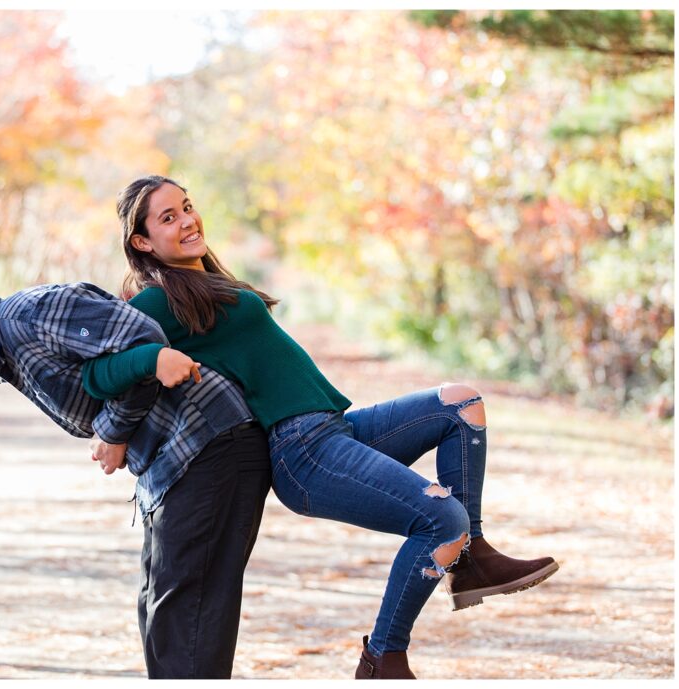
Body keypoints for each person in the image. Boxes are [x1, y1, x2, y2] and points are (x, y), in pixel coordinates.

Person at [83, 175, 560, 679]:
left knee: (460, 404)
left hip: (332, 430)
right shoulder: (159, 300)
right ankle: (383, 658)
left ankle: (471, 560)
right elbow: (98, 371)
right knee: (442, 520)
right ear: (142, 242)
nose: (187, 221)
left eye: (187, 207)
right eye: (168, 218)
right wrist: (125, 411)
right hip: (301, 451)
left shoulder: (206, 283)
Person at [0, 265, 271, 678]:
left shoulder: (32, 315)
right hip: (176, 463)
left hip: (209, 441)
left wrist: (113, 431)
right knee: (161, 621)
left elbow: (144, 342)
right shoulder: (11, 345)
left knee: (186, 628)